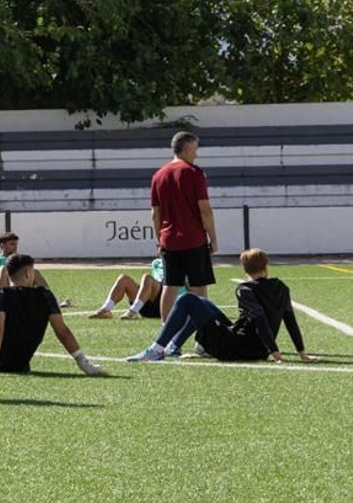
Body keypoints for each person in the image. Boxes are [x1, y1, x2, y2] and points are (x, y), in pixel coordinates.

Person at [127, 248, 315, 364]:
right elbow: (290, 320)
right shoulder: (281, 287)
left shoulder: (245, 289)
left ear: (244, 269)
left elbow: (259, 317)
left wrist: (275, 353)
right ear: (266, 266)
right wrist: (302, 352)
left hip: (237, 349)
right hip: (255, 348)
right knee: (203, 302)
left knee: (187, 300)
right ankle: (172, 347)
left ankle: (156, 349)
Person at [151, 131, 218, 319]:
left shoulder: (158, 175)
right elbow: (205, 209)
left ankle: (165, 330)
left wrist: (159, 240)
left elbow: (155, 213)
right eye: (195, 149)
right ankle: (203, 329)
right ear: (187, 148)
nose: (196, 154)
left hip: (169, 240)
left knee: (170, 285)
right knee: (199, 286)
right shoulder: (194, 173)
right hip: (193, 238)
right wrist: (213, 238)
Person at [89, 257, 165, 320]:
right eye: (159, 246)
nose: (160, 249)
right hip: (147, 306)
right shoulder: (156, 263)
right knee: (123, 279)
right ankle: (105, 310)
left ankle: (133, 311)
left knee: (147, 277)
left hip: (165, 305)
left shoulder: (172, 261)